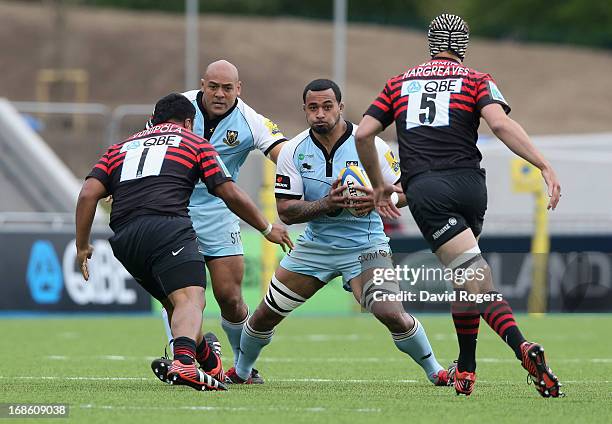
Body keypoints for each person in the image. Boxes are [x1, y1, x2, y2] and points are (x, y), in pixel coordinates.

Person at [355, 14, 563, 397]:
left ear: (430, 43)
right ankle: (466, 368)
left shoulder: (398, 82)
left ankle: (523, 348)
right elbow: (499, 126)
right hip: (471, 186)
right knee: (465, 278)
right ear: (462, 46)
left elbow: (365, 132)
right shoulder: (476, 79)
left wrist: (381, 186)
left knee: (474, 278)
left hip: (428, 189)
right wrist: (543, 163)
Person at [225, 79, 451, 387]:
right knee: (264, 316)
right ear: (304, 110)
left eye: (327, 107)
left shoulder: (369, 142)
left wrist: (377, 198)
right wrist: (327, 204)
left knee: (390, 312)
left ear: (340, 108)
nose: (320, 114)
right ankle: (241, 373)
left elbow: (407, 191)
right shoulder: (293, 150)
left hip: (366, 244)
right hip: (316, 246)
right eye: (313, 108)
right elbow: (287, 211)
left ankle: (436, 371)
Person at [75, 93, 292, 391]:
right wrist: (267, 228)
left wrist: (82, 245)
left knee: (178, 307)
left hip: (124, 238)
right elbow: (229, 192)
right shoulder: (194, 142)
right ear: (189, 122)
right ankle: (184, 364)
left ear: (154, 118)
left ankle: (210, 362)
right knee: (192, 300)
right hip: (166, 227)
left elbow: (88, 194)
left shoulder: (121, 147)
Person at [149, 60, 287, 383]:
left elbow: (284, 154)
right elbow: (145, 143)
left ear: (239, 89)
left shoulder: (251, 121)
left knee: (230, 296)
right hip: (175, 211)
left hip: (221, 211)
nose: (220, 94)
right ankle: (182, 358)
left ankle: (242, 366)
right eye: (213, 87)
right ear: (202, 85)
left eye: (227, 88)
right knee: (177, 296)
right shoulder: (177, 109)